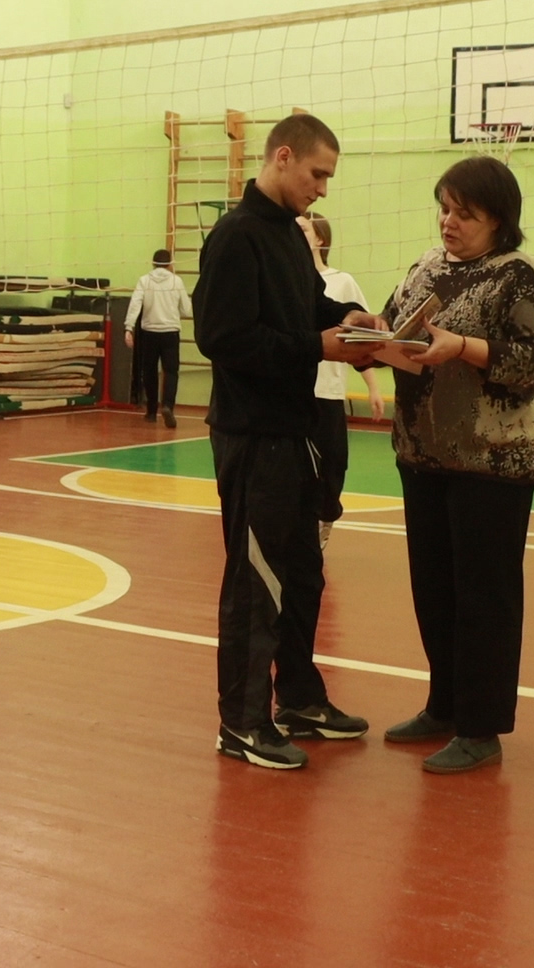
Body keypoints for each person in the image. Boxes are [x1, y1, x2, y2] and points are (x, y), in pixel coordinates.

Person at [192, 112, 382, 771]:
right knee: (257, 582)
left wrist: (349, 321)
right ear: (282, 157)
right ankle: (242, 723)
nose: (322, 188)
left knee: (302, 573)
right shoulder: (235, 236)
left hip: (295, 432)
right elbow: (223, 338)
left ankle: (299, 699)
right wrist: (316, 346)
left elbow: (305, 309)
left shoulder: (289, 233)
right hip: (254, 437)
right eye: (317, 174)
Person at [380, 155, 534, 774]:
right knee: (434, 589)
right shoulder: (426, 267)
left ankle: (481, 728)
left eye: (465, 213)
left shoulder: (522, 276)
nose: (448, 222)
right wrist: (367, 332)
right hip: (423, 452)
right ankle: (444, 706)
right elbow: (393, 324)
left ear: (499, 220)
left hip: (494, 460)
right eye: (445, 208)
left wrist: (461, 347)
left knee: (484, 597)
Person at [297, 212, 384, 552]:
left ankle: (326, 518)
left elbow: (360, 338)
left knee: (333, 466)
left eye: (304, 227)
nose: (296, 231)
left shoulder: (341, 282)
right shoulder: (288, 277)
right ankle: (305, 531)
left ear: (320, 238)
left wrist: (373, 387)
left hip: (328, 393)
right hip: (297, 390)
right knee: (299, 470)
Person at [123, 248, 191, 426]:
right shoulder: (176, 281)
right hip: (170, 333)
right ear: (169, 264)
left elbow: (135, 305)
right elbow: (186, 310)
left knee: (149, 372)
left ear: (153, 263)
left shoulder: (144, 281)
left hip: (149, 333)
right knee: (171, 371)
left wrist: (129, 328)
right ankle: (168, 406)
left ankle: (151, 412)